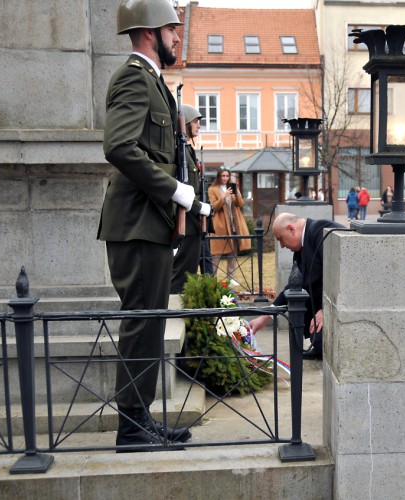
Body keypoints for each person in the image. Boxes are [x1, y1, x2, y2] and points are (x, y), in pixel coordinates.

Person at [98, 0, 211, 450]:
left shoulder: (154, 83)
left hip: (151, 226)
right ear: (149, 31)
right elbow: (120, 147)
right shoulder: (133, 78)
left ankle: (140, 419)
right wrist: (174, 191)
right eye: (172, 28)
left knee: (149, 322)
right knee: (141, 321)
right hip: (138, 225)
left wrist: (185, 198)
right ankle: (132, 427)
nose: (178, 36)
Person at [248, 213, 342, 360]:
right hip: (321, 310)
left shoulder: (322, 231)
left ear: (291, 229)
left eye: (281, 239)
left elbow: (340, 273)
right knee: (317, 336)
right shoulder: (301, 248)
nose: (282, 246)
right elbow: (293, 289)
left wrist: (326, 309)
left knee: (320, 333)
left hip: (343, 302)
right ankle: (318, 346)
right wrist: (264, 317)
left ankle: (319, 344)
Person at [170, 103, 212, 294]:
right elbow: (180, 187)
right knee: (182, 273)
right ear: (185, 122)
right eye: (196, 121)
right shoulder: (180, 149)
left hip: (192, 220)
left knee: (190, 271)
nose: (199, 125)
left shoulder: (188, 149)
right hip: (186, 217)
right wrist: (198, 207)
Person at [208, 166, 250, 285]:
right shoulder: (212, 189)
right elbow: (214, 207)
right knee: (216, 252)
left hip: (234, 222)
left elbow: (240, 204)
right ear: (219, 176)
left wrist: (236, 193)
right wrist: (224, 195)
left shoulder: (232, 187)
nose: (225, 178)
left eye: (227, 176)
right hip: (220, 224)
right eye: (223, 176)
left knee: (233, 251)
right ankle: (212, 278)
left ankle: (231, 277)